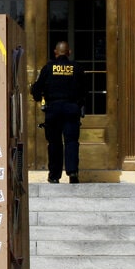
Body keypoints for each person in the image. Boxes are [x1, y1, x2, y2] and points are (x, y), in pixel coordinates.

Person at [30, 41, 86, 183]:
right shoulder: (77, 68)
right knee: (72, 141)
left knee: (54, 143)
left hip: (53, 108)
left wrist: (39, 98)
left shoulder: (48, 68)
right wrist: (79, 104)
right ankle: (73, 172)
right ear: (69, 52)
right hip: (71, 108)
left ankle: (54, 176)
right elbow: (85, 90)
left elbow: (36, 89)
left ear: (56, 52)